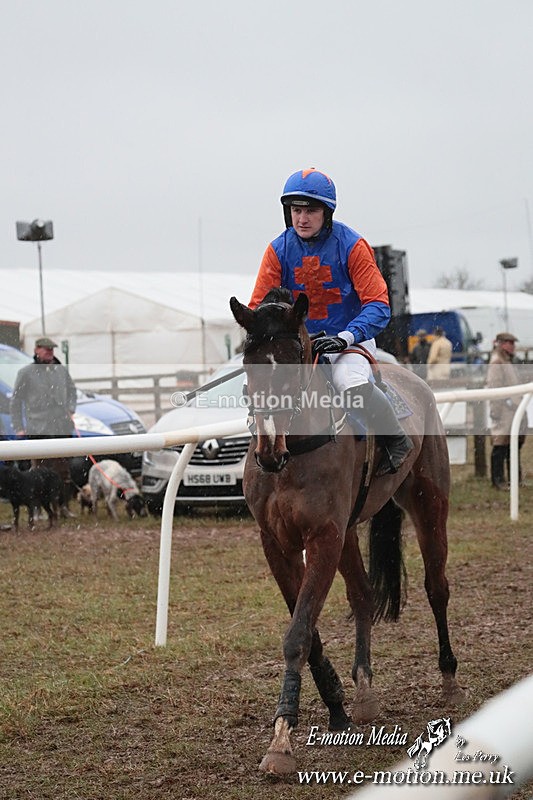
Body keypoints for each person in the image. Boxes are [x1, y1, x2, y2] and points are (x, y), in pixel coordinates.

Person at [248, 167, 413, 476]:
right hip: (299, 346)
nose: (302, 219)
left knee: (349, 384)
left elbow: (378, 305)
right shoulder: (277, 250)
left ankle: (396, 439)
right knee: (264, 387)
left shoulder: (352, 245)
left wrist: (346, 337)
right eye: (296, 210)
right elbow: (258, 307)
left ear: (327, 213)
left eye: (310, 211)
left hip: (349, 340)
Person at [10, 336, 78, 516]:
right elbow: (16, 401)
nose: (49, 352)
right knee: (39, 472)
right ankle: (39, 509)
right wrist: (18, 427)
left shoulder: (61, 371)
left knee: (63, 471)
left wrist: (71, 408)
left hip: (61, 428)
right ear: (36, 350)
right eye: (46, 349)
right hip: (38, 428)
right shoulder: (26, 373)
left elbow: (72, 391)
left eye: (51, 350)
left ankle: (63, 506)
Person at [485, 332, 527, 489]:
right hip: (504, 410)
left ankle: (514, 478)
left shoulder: (507, 361)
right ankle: (498, 480)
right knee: (500, 446)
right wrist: (499, 409)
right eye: (510, 343)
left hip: (513, 409)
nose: (513, 346)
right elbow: (495, 387)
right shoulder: (497, 362)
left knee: (513, 445)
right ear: (502, 344)